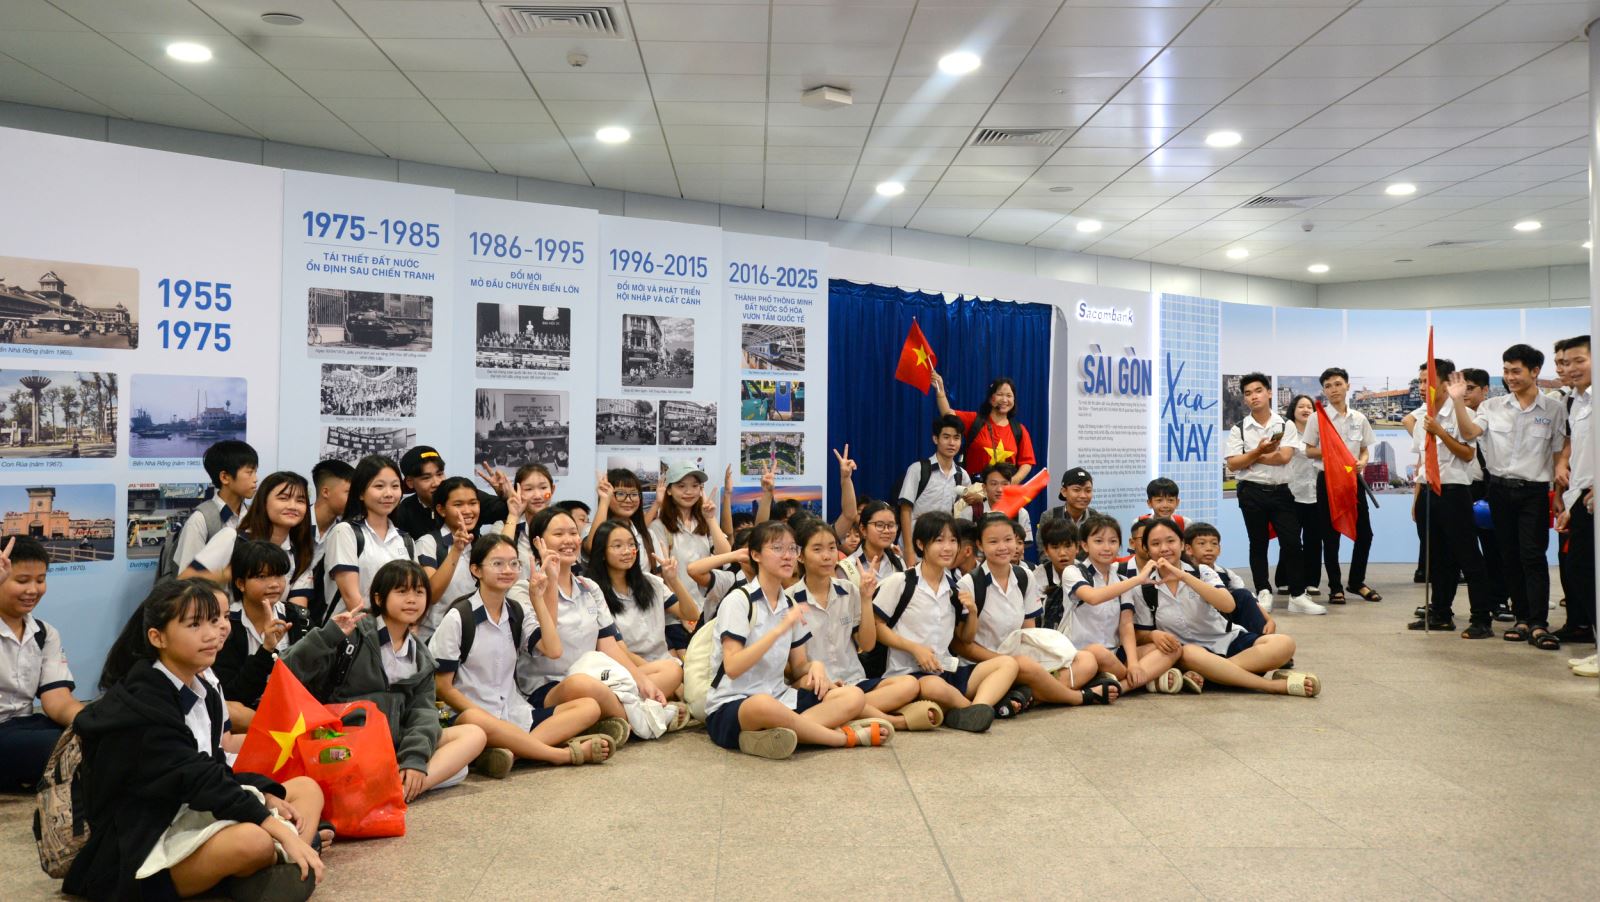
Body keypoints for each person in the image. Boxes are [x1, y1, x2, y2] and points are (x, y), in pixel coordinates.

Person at [66, 580, 325, 901]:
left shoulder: (202, 685)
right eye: (194, 624)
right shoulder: (143, 700)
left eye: (216, 620)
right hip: (144, 837)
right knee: (252, 841)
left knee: (306, 790)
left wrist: (264, 795)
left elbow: (214, 768)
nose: (212, 633)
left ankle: (279, 861)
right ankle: (280, 858)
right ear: (156, 637)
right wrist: (269, 822)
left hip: (192, 808)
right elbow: (196, 777)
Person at [285, 560, 490, 799]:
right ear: (380, 598)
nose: (412, 599)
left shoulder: (421, 656)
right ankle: (397, 787)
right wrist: (328, 636)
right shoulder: (352, 635)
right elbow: (288, 668)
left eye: (419, 592)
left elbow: (422, 713)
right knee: (450, 771)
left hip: (392, 744)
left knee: (473, 737)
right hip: (346, 744)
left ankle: (397, 788)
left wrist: (414, 759)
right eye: (402, 591)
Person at [704, 521, 891, 759]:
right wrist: (777, 631)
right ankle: (840, 737)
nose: (787, 556)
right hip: (734, 703)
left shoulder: (789, 604)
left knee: (852, 696)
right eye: (778, 549)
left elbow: (799, 665)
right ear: (756, 555)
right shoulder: (739, 601)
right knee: (762, 704)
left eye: (792, 549)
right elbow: (732, 667)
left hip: (780, 697)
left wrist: (817, 667)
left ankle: (775, 735)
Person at [430, 534, 614, 768]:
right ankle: (560, 755)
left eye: (514, 563)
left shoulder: (515, 611)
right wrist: (485, 717)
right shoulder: (459, 617)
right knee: (476, 719)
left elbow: (553, 649)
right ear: (476, 570)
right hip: (472, 716)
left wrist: (537, 597)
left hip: (514, 712)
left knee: (589, 707)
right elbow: (442, 686)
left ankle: (510, 753)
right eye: (497, 564)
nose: (507, 569)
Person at [519, 509, 665, 745]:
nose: (569, 540)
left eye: (573, 533)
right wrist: (552, 579)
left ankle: (606, 718)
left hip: (598, 677)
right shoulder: (524, 590)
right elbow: (550, 646)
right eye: (558, 534)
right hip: (550, 687)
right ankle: (646, 718)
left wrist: (642, 681)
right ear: (538, 542)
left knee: (668, 671)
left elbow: (610, 647)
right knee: (582, 685)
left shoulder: (589, 587)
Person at [1133, 519, 1319, 698]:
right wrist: (1153, 636)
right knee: (1189, 652)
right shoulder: (1144, 587)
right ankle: (1271, 686)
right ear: (1147, 551)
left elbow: (1227, 605)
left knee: (1284, 644)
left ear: (1182, 545)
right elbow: (1141, 633)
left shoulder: (1202, 572)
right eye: (1156, 544)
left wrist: (1183, 576)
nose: (1164, 548)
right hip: (1192, 653)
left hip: (1226, 640)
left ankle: (1212, 676)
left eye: (1171, 541)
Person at [872, 512, 1019, 732]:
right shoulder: (901, 582)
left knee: (1008, 664)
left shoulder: (954, 588)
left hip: (947, 671)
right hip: (909, 673)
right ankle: (970, 709)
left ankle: (975, 709)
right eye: (939, 540)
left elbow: (966, 638)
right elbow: (877, 627)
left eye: (953, 541)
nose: (948, 548)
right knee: (932, 686)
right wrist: (914, 648)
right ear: (921, 544)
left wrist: (972, 612)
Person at [789, 519, 940, 733]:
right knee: (812, 685)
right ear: (800, 555)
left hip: (854, 681)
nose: (827, 556)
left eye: (832, 548)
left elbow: (867, 645)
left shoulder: (849, 590)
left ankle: (845, 714)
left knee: (909, 684)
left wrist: (866, 599)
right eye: (817, 549)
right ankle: (893, 721)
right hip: (818, 686)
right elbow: (795, 668)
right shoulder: (790, 599)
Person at [955, 513, 1113, 712]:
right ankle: (1077, 697)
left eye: (1008, 539)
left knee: (1087, 661)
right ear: (980, 544)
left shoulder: (1024, 576)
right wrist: (1005, 661)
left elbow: (1028, 634)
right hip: (980, 666)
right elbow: (961, 645)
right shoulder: (968, 584)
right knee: (1021, 664)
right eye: (993, 541)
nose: (1003, 547)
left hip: (1020, 662)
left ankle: (1025, 696)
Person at [1477, 344, 1568, 650]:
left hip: (1534, 492)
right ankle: (1522, 619)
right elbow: (1470, 435)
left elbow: (1559, 454)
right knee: (1509, 556)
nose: (1509, 377)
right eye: (1505, 370)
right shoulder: (1492, 407)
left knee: (1532, 554)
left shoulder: (1554, 409)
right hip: (1499, 489)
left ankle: (1540, 622)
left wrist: (1559, 495)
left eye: (1516, 371)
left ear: (1535, 371)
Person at [1224, 373, 1324, 616]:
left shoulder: (1284, 425)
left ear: (1269, 393)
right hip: (1251, 492)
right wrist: (1258, 451)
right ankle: (1263, 591)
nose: (1253, 396)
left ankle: (1298, 595)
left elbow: (1284, 457)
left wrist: (1252, 455)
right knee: (1257, 543)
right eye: (1248, 393)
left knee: (1292, 543)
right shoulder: (1239, 428)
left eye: (1258, 390)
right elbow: (1233, 465)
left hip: (1282, 493)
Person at [1061, 515, 1183, 695]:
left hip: (1116, 655)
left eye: (1113, 541)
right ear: (1085, 545)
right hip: (1082, 654)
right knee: (1098, 652)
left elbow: (1126, 625)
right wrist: (1137, 580)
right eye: (1099, 541)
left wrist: (1133, 663)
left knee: (1173, 649)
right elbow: (1093, 597)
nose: (1107, 547)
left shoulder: (1122, 580)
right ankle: (1143, 679)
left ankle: (1120, 686)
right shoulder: (1073, 571)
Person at [0, 537, 82, 792]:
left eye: (40, 579)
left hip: (22, 726)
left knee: (83, 738)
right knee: (61, 747)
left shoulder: (45, 633)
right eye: (22, 580)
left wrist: (94, 723)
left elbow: (57, 699)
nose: (33, 590)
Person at [589, 518, 696, 700]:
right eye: (617, 546)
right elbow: (615, 649)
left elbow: (691, 614)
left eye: (632, 545)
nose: (627, 551)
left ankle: (653, 700)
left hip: (665, 664)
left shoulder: (651, 582)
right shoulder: (593, 591)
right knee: (673, 677)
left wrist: (674, 580)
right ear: (602, 553)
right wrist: (668, 678)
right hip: (626, 667)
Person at [1300, 367, 1380, 603]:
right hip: (1328, 481)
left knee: (1365, 534)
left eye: (1337, 384)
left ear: (1347, 386)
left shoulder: (1359, 419)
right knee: (1330, 535)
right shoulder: (1318, 418)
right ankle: (1335, 586)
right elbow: (1308, 450)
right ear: (1324, 391)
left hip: (1353, 481)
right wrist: (1332, 451)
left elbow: (1364, 449)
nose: (1333, 389)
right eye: (1328, 386)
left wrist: (1362, 463)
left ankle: (1356, 582)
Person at [211, 540, 309, 730]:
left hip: (296, 713)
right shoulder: (226, 625)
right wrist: (266, 651)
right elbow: (231, 695)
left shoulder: (298, 618)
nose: (274, 584)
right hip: (246, 720)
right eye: (262, 577)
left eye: (279, 575)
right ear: (240, 584)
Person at [181, 471, 316, 608]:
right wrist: (229, 574)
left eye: (300, 500)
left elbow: (297, 610)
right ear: (263, 502)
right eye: (283, 498)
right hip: (223, 625)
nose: (293, 506)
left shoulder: (300, 554)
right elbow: (185, 581)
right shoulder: (233, 539)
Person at [649, 461, 733, 650]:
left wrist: (711, 519)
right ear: (669, 490)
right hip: (676, 617)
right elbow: (664, 576)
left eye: (695, 486)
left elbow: (726, 555)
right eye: (681, 486)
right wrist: (683, 614)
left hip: (709, 612)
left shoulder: (704, 522)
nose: (689, 492)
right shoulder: (659, 527)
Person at [322, 455, 413, 619]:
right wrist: (380, 632)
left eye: (395, 486)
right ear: (361, 493)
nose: (389, 493)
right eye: (379, 486)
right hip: (352, 634)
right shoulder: (345, 532)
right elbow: (352, 600)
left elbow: (410, 593)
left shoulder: (406, 540)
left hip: (393, 635)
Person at [1458, 368, 1512, 623]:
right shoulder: (1457, 415)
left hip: (1491, 487)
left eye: (1470, 388)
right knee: (1464, 551)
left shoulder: (1498, 413)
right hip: (1462, 489)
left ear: (1484, 389)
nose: (1465, 393)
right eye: (1462, 388)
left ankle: (1499, 599)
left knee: (1494, 548)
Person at [1553, 335, 1594, 649]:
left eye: (1580, 360)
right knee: (1581, 573)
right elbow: (1575, 451)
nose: (1571, 368)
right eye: (1567, 362)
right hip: (1581, 496)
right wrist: (1570, 503)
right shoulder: (1575, 400)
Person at [930, 371, 1037, 481]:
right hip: (973, 492)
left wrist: (1012, 483)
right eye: (1000, 394)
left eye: (1009, 396)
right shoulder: (975, 420)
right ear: (991, 399)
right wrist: (940, 392)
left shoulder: (1020, 430)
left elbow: (1027, 462)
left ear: (1014, 400)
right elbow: (947, 414)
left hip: (1004, 494)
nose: (1005, 400)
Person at [172, 440, 259, 574]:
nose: (256, 479)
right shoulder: (200, 520)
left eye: (255, 472)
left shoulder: (253, 517)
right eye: (249, 472)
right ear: (225, 477)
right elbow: (188, 582)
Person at [897, 414, 974, 564]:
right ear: (935, 439)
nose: (952, 443)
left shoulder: (962, 476)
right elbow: (905, 510)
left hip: (943, 553)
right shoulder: (918, 469)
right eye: (946, 437)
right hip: (916, 548)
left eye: (956, 438)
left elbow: (961, 517)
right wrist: (908, 551)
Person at [391, 446, 510, 543]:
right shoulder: (404, 511)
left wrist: (505, 496)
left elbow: (510, 512)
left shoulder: (467, 497)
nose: (437, 483)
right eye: (426, 478)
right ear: (410, 482)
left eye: (440, 474)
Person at [412, 476, 481, 640]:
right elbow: (431, 595)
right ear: (441, 510)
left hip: (474, 637)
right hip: (435, 638)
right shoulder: (428, 543)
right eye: (458, 505)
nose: (468, 510)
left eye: (473, 503)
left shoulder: (481, 544)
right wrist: (456, 550)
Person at [1184, 523, 1276, 636]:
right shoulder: (1183, 573)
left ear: (1219, 549)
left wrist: (1269, 620)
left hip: (1224, 620)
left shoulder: (1226, 573)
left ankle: (1259, 639)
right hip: (1196, 624)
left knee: (1243, 594)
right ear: (1188, 549)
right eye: (1202, 543)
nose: (1209, 548)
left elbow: (1249, 599)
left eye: (1214, 544)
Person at [1278, 395, 1324, 600]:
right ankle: (1284, 580)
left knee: (1314, 540)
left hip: (1315, 493)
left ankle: (1312, 582)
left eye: (1309, 406)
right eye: (1301, 406)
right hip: (1292, 493)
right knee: (1290, 540)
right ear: (1293, 410)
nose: (1306, 409)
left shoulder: (1321, 433)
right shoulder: (1286, 432)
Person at [584, 467, 660, 569]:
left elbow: (658, 574)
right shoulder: (591, 531)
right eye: (620, 494)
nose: (628, 500)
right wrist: (604, 500)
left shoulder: (648, 535)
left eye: (634, 494)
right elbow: (593, 548)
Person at [1032, 517, 1081, 632]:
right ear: (1046, 550)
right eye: (1055, 547)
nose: (1062, 553)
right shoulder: (1036, 577)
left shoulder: (1087, 573)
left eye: (1068, 546)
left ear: (1077, 547)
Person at [1036, 467, 1097, 557]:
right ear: (1064, 492)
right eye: (1076, 490)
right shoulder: (1050, 516)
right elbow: (1043, 552)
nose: (1083, 495)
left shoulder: (1095, 518)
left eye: (1088, 491)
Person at [843, 500, 905, 586]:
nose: (886, 530)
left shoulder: (898, 562)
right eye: (879, 525)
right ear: (863, 529)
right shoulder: (847, 567)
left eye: (891, 525)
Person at [969, 462, 1034, 544]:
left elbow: (1023, 546)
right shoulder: (971, 512)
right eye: (993, 484)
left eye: (1005, 484)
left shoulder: (1021, 513)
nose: (999, 489)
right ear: (984, 488)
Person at [309, 460, 353, 554]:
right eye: (349, 493)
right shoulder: (294, 523)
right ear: (326, 492)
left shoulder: (345, 531)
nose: (355, 499)